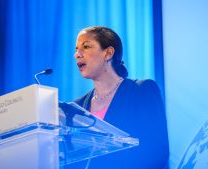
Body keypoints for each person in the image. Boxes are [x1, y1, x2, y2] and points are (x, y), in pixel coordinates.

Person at [65, 26, 169, 169]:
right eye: (76, 49)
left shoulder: (141, 91)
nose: (77, 54)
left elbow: (157, 151)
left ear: (108, 53)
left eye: (86, 46)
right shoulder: (76, 107)